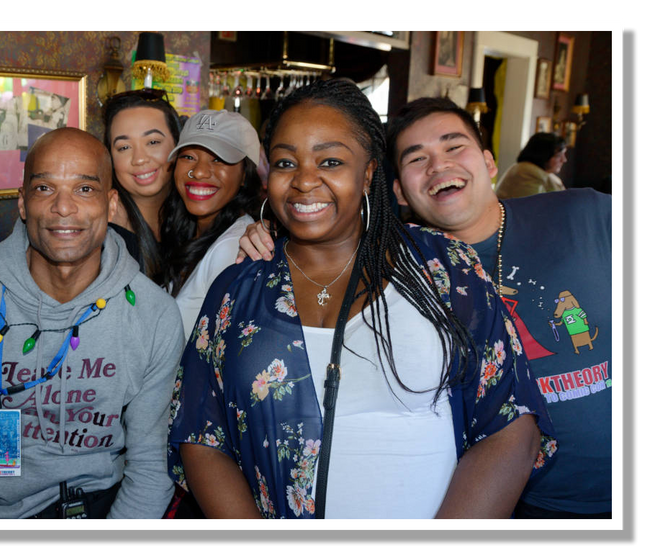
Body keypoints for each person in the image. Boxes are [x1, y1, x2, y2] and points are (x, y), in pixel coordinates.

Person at [168, 79, 556, 519]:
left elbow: (511, 423)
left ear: (369, 171)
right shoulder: (238, 289)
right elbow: (200, 434)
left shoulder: (447, 269)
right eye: (285, 162)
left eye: (330, 160)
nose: (304, 180)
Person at [0, 127, 185, 518]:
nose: (63, 207)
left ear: (110, 205)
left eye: (84, 189)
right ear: (22, 204)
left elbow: (151, 463)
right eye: (44, 189)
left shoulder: (153, 313)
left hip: (108, 507)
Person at [385, 97, 612, 519]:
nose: (439, 165)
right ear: (400, 190)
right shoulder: (397, 269)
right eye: (417, 158)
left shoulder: (584, 213)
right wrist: (263, 237)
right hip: (517, 502)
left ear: (489, 163)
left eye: (454, 147)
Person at [159, 109, 262, 336]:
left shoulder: (234, 248)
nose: (199, 171)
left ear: (245, 174)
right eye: (188, 157)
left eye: (218, 159)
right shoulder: (186, 231)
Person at [103, 89, 182, 278]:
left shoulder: (195, 216)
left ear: (178, 146)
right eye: (124, 147)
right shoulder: (106, 230)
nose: (139, 159)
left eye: (153, 142)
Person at [495, 132, 568, 199]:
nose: (564, 160)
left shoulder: (538, 172)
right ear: (543, 155)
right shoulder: (527, 173)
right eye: (558, 156)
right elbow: (536, 208)